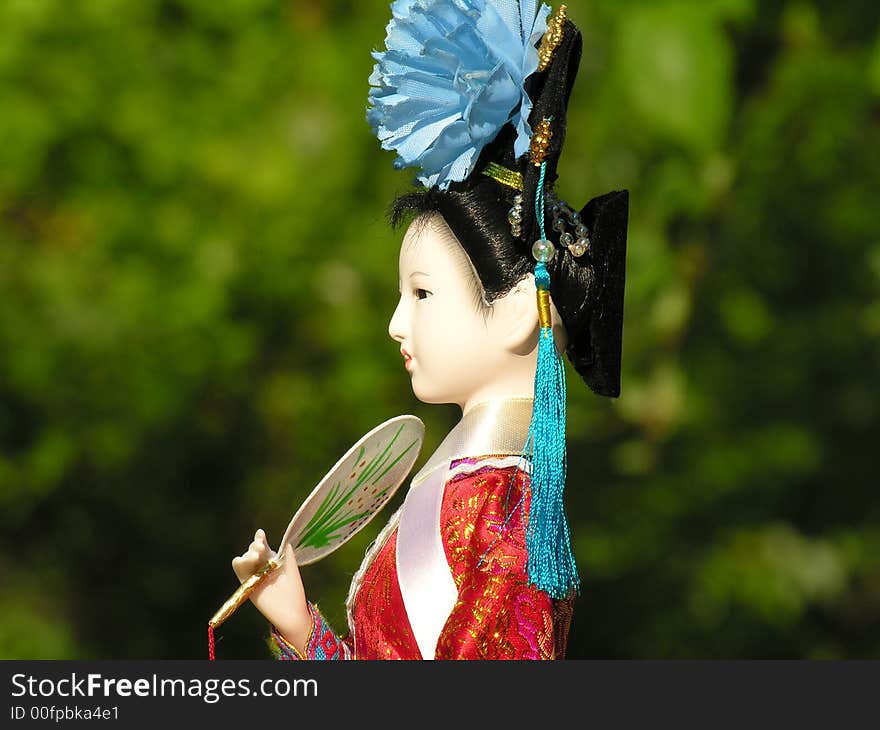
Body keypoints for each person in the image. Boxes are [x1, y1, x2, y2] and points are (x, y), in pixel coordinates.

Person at [231, 0, 628, 660]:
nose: (395, 323)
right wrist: (299, 622)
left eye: (421, 293)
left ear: (510, 311)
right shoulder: (473, 493)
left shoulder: (505, 516)